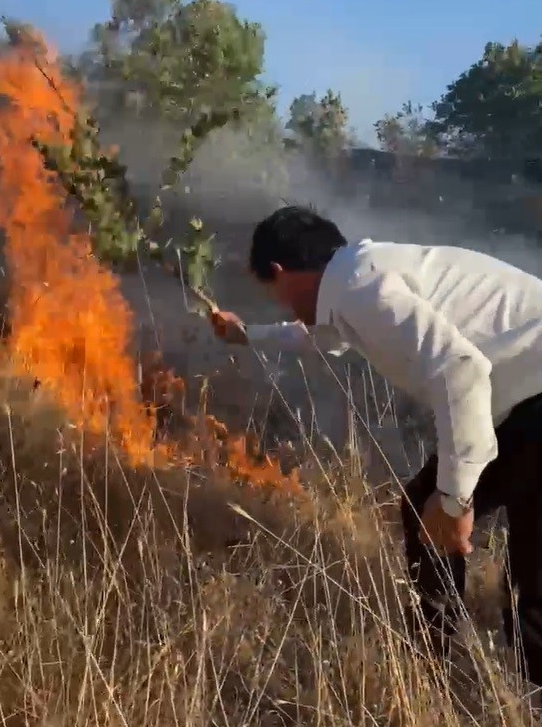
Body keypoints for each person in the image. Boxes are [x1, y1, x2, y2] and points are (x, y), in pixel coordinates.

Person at [209, 204, 542, 686]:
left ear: (279, 272)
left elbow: (461, 372)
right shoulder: (359, 277)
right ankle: (470, 672)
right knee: (491, 536)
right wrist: (249, 336)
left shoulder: (364, 289)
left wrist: (455, 498)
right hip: (527, 399)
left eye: (274, 293)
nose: (282, 304)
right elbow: (327, 336)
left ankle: (433, 664)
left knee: (444, 517)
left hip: (533, 404)